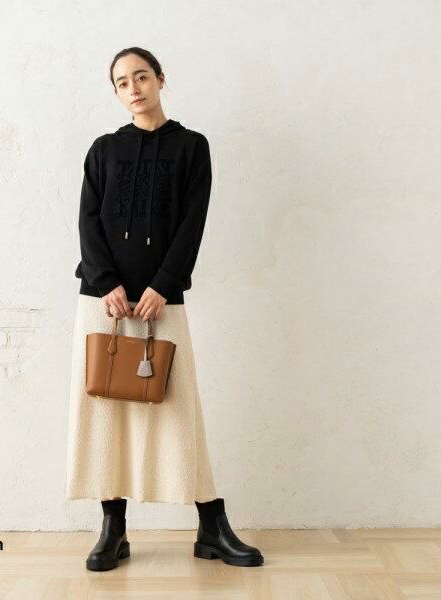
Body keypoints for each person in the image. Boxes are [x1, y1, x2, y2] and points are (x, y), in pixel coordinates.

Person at [65, 46, 264, 571]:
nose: (133, 88)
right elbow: (88, 220)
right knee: (105, 414)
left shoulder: (191, 147)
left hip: (161, 301)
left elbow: (192, 223)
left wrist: (163, 284)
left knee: (178, 410)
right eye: (122, 82)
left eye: (141, 76)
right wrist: (106, 283)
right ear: (116, 92)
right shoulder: (103, 150)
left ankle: (211, 525)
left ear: (159, 79)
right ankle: (113, 530)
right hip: (104, 305)